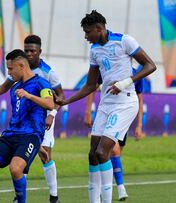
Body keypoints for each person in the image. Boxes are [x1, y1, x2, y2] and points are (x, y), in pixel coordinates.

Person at [54, 10, 156, 203]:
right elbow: (91, 85)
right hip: (106, 103)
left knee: (103, 152)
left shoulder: (125, 41)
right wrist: (66, 101)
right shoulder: (94, 50)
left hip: (125, 103)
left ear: (99, 29)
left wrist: (126, 82)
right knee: (92, 155)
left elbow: (150, 65)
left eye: (87, 32)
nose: (85, 37)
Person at [0, 35, 64, 203]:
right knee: (20, 160)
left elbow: (59, 97)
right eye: (26, 50)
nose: (29, 53)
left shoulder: (48, 73)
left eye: (32, 51)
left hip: (44, 117)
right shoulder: (17, 70)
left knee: (45, 155)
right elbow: (4, 87)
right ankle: (19, 195)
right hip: (22, 125)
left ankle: (54, 195)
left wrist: (52, 115)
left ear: (39, 52)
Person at [84, 66, 145, 201]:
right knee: (110, 151)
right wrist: (88, 110)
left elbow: (140, 99)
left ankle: (113, 186)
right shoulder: (106, 67)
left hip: (124, 113)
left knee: (114, 153)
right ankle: (119, 188)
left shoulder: (135, 74)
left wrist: (139, 125)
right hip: (108, 112)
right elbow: (92, 87)